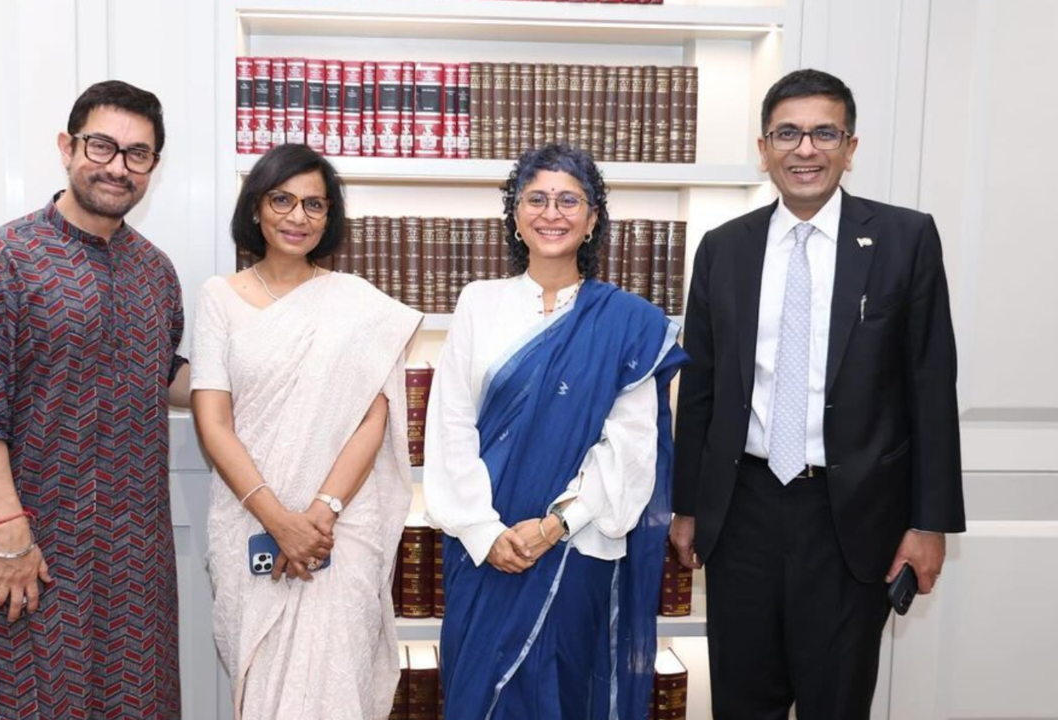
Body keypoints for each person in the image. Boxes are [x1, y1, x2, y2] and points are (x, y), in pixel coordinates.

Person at [670, 69, 965, 719]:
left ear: (850, 147)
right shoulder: (724, 249)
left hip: (852, 517)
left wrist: (929, 522)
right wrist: (685, 507)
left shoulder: (904, 239)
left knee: (836, 701)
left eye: (824, 133)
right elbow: (701, 390)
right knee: (743, 701)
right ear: (764, 146)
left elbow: (930, 385)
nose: (806, 149)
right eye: (788, 133)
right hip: (741, 508)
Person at [0, 80, 191, 719]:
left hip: (132, 562)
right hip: (25, 554)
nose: (117, 166)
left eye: (137, 154)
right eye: (101, 145)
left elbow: (162, 374)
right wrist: (8, 533)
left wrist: (284, 372)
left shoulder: (156, 273)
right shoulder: (0, 261)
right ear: (66, 146)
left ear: (153, 168)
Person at [423, 144, 687, 720]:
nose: (552, 213)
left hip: (578, 548)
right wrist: (484, 531)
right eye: (536, 199)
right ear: (515, 215)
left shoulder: (629, 322)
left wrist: (554, 525)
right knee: (476, 694)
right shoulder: (479, 303)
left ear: (593, 219)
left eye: (570, 200)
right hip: (483, 548)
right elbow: (450, 425)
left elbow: (631, 447)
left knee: (566, 695)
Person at [191, 143, 421, 720]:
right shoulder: (220, 297)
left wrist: (322, 511)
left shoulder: (356, 304)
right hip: (250, 520)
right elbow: (213, 421)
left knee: (335, 681)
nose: (298, 217)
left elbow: (375, 417)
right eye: (283, 200)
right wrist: (279, 521)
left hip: (340, 529)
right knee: (263, 682)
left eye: (314, 205)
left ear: (330, 217)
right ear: (256, 209)